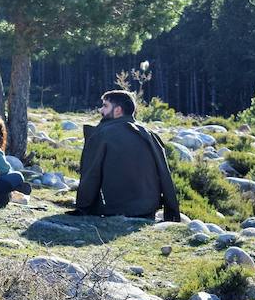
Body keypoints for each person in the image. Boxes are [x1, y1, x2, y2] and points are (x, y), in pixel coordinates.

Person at [73, 90, 180, 221]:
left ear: (118, 110)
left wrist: (83, 207)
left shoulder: (103, 134)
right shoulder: (150, 134)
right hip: (148, 210)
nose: (101, 110)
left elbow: (91, 175)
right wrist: (172, 214)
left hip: (115, 210)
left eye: (105, 106)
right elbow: (165, 176)